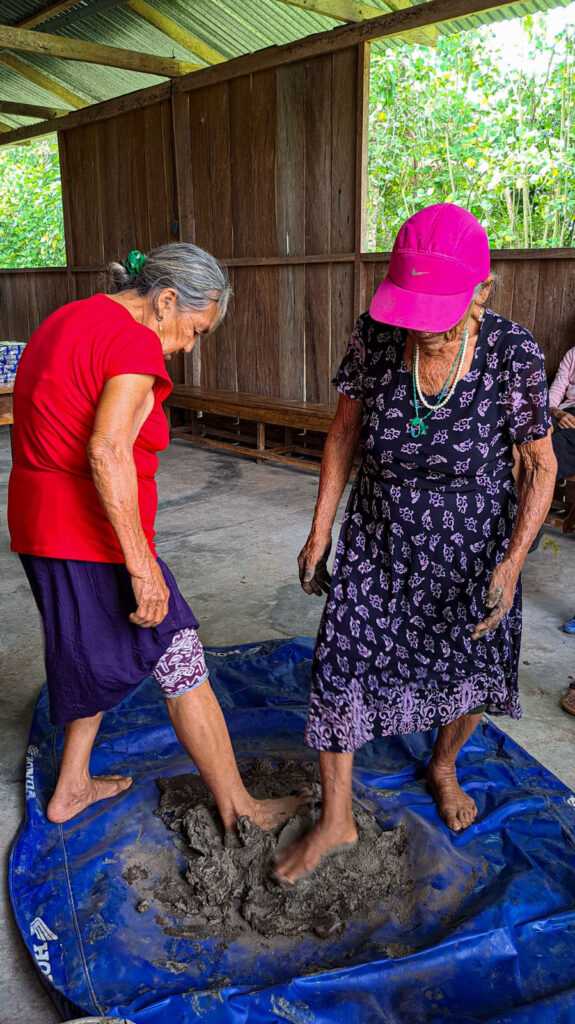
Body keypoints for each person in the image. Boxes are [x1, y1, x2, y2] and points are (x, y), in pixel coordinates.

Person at [275, 204, 557, 884]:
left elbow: (539, 464)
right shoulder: (374, 337)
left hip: (472, 546)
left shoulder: (511, 352)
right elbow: (343, 432)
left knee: (468, 665)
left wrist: (513, 561)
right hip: (378, 536)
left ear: (482, 291)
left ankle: (443, 765)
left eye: (439, 313)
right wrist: (320, 527)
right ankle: (335, 818)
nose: (421, 328)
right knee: (338, 659)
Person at [8, 244, 308, 829]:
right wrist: (141, 566)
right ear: (166, 300)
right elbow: (107, 450)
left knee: (101, 644)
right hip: (88, 534)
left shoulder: (68, 317)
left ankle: (72, 785)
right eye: (195, 330)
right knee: (179, 652)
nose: (190, 347)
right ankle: (241, 808)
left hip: (39, 525)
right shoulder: (135, 341)